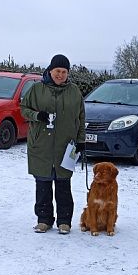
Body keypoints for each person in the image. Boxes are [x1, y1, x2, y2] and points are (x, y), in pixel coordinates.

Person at [20, 54, 86, 234]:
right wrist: (37, 115)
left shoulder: (74, 91)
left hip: (66, 146)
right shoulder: (36, 89)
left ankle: (64, 221)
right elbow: (23, 110)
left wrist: (81, 140)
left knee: (64, 185)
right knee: (43, 184)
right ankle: (44, 219)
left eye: (64, 72)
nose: (61, 75)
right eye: (58, 71)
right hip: (41, 145)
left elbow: (81, 117)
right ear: (50, 70)